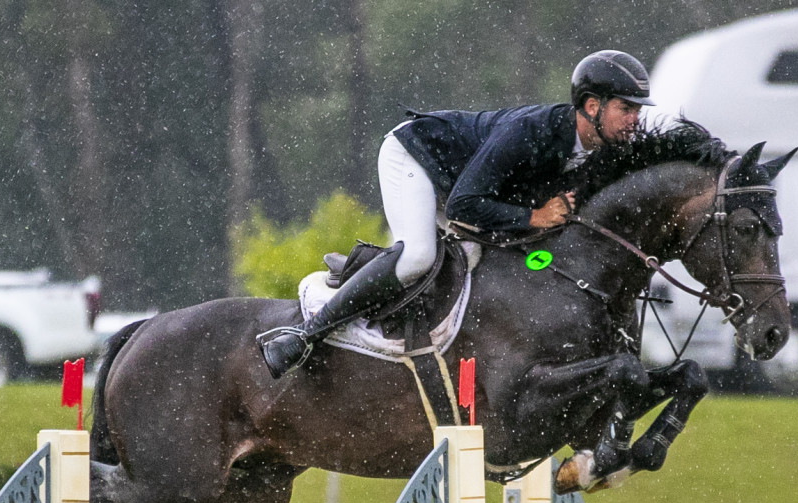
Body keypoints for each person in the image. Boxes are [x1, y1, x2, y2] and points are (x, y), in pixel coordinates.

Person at [258, 49, 655, 378]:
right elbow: (464, 206)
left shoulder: (601, 148)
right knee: (418, 255)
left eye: (637, 110)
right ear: (591, 106)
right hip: (416, 157)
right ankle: (304, 335)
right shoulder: (532, 133)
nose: (634, 119)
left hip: (464, 185)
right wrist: (534, 217)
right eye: (626, 108)